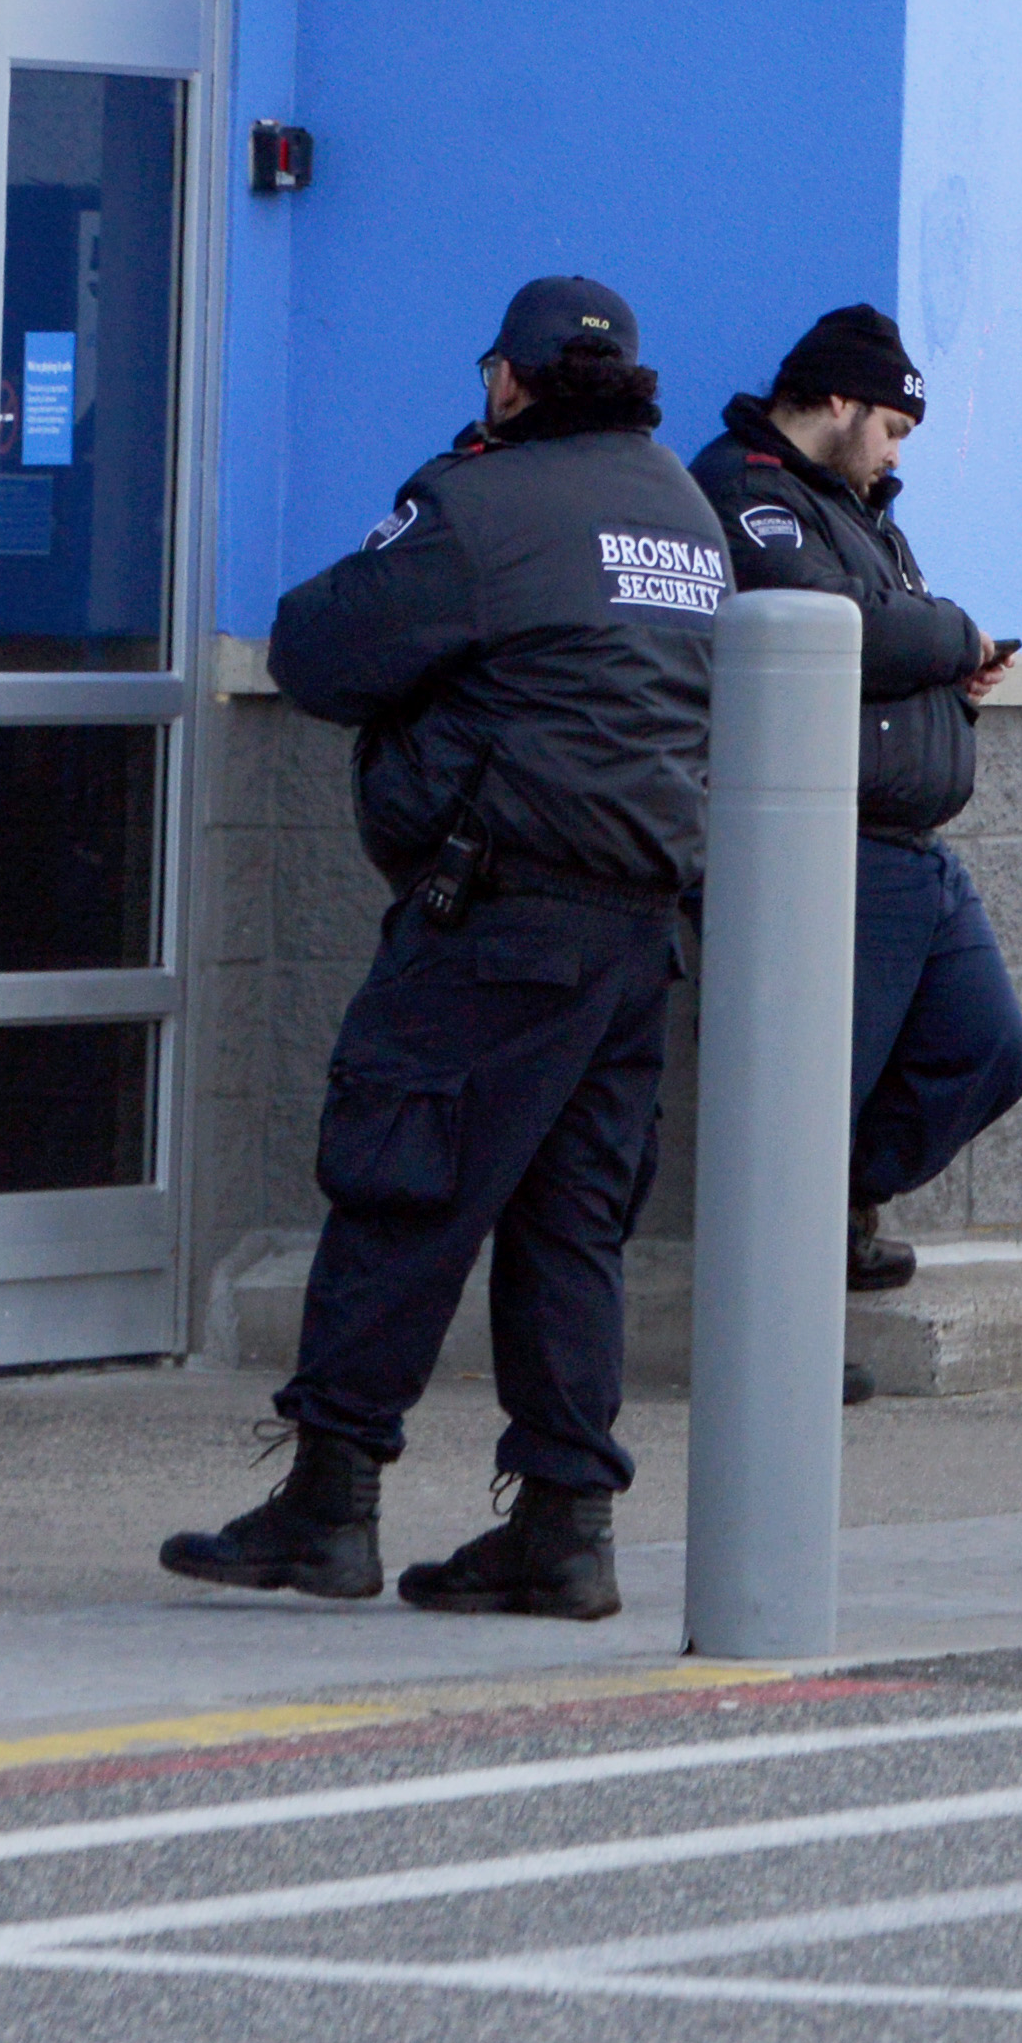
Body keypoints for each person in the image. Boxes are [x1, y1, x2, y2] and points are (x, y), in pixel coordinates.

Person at [164, 275, 726, 1621]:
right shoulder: (684, 513)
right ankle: (566, 1525)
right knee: (572, 1225)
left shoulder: (479, 502)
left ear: (512, 379)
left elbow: (320, 651)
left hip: (497, 918)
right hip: (638, 930)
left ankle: (330, 1504)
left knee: (403, 1187)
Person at [689, 304, 1022, 1299]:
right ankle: (781, 1327)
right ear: (837, 400)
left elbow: (888, 636)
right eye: (888, 430)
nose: (891, 457)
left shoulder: (860, 509)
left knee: (987, 1050)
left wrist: (952, 683)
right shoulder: (743, 489)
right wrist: (954, 635)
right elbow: (836, 630)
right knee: (808, 1096)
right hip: (830, 849)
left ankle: (835, 1209)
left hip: (909, 846)